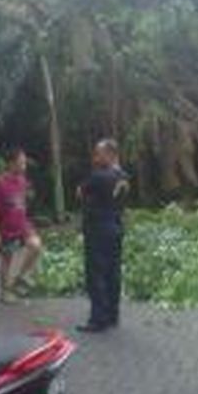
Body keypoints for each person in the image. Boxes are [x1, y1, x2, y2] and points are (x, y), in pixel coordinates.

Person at [77, 139, 129, 333]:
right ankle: (112, 315)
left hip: (98, 230)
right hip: (116, 227)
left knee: (96, 274)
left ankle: (98, 319)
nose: (95, 157)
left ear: (110, 154)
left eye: (99, 154)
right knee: (113, 273)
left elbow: (80, 193)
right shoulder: (123, 176)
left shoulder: (98, 176)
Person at [0, 148, 42, 304]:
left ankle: (20, 277)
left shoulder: (23, 181)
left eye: (25, 162)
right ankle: (4, 293)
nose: (24, 166)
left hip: (23, 225)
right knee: (7, 259)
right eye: (21, 162)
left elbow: (22, 204)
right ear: (11, 163)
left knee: (36, 245)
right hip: (7, 228)